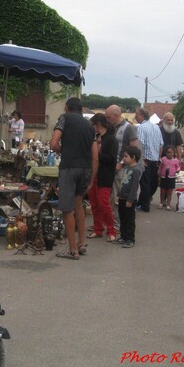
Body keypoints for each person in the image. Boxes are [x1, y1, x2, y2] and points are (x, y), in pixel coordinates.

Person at [50, 97, 98, 260]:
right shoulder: (90, 126)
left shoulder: (64, 118)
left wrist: (64, 150)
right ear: (82, 109)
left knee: (67, 209)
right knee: (78, 205)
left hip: (69, 167)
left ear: (66, 107)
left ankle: (72, 250)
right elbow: (95, 156)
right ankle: (81, 243)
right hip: (84, 169)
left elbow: (53, 143)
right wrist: (92, 178)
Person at [105, 105, 139, 229]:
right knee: (113, 196)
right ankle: (115, 222)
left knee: (120, 196)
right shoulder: (111, 128)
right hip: (112, 167)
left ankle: (123, 224)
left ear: (116, 115)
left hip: (123, 168)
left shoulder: (128, 128)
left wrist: (122, 163)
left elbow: (134, 150)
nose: (107, 119)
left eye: (108, 117)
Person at [87, 113, 118, 241]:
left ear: (98, 125)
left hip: (105, 176)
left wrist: (97, 155)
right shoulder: (96, 138)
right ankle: (98, 229)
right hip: (94, 174)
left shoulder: (111, 139)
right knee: (94, 204)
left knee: (103, 204)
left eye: (93, 125)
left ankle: (111, 230)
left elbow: (111, 158)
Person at [112, 145, 143, 248]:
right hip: (122, 197)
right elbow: (122, 183)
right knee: (123, 218)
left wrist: (130, 199)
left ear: (133, 157)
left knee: (129, 219)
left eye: (126, 156)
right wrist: (119, 194)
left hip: (129, 199)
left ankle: (130, 239)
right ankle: (123, 236)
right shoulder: (126, 168)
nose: (123, 159)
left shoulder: (136, 170)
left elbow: (134, 186)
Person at [135, 107, 163, 212]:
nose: (135, 117)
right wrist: (158, 158)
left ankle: (145, 205)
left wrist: (141, 158)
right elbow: (161, 144)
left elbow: (140, 144)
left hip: (145, 159)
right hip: (155, 159)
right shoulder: (156, 127)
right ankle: (142, 202)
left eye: (137, 114)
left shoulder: (141, 128)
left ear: (142, 115)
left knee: (144, 183)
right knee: (150, 182)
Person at [157, 146, 181, 210]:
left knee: (169, 192)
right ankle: (161, 202)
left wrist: (178, 170)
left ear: (174, 153)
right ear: (166, 153)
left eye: (171, 152)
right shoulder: (163, 159)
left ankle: (168, 204)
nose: (170, 154)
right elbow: (160, 167)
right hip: (163, 177)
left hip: (171, 177)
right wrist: (159, 175)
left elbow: (178, 167)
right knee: (162, 191)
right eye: (168, 152)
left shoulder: (175, 160)